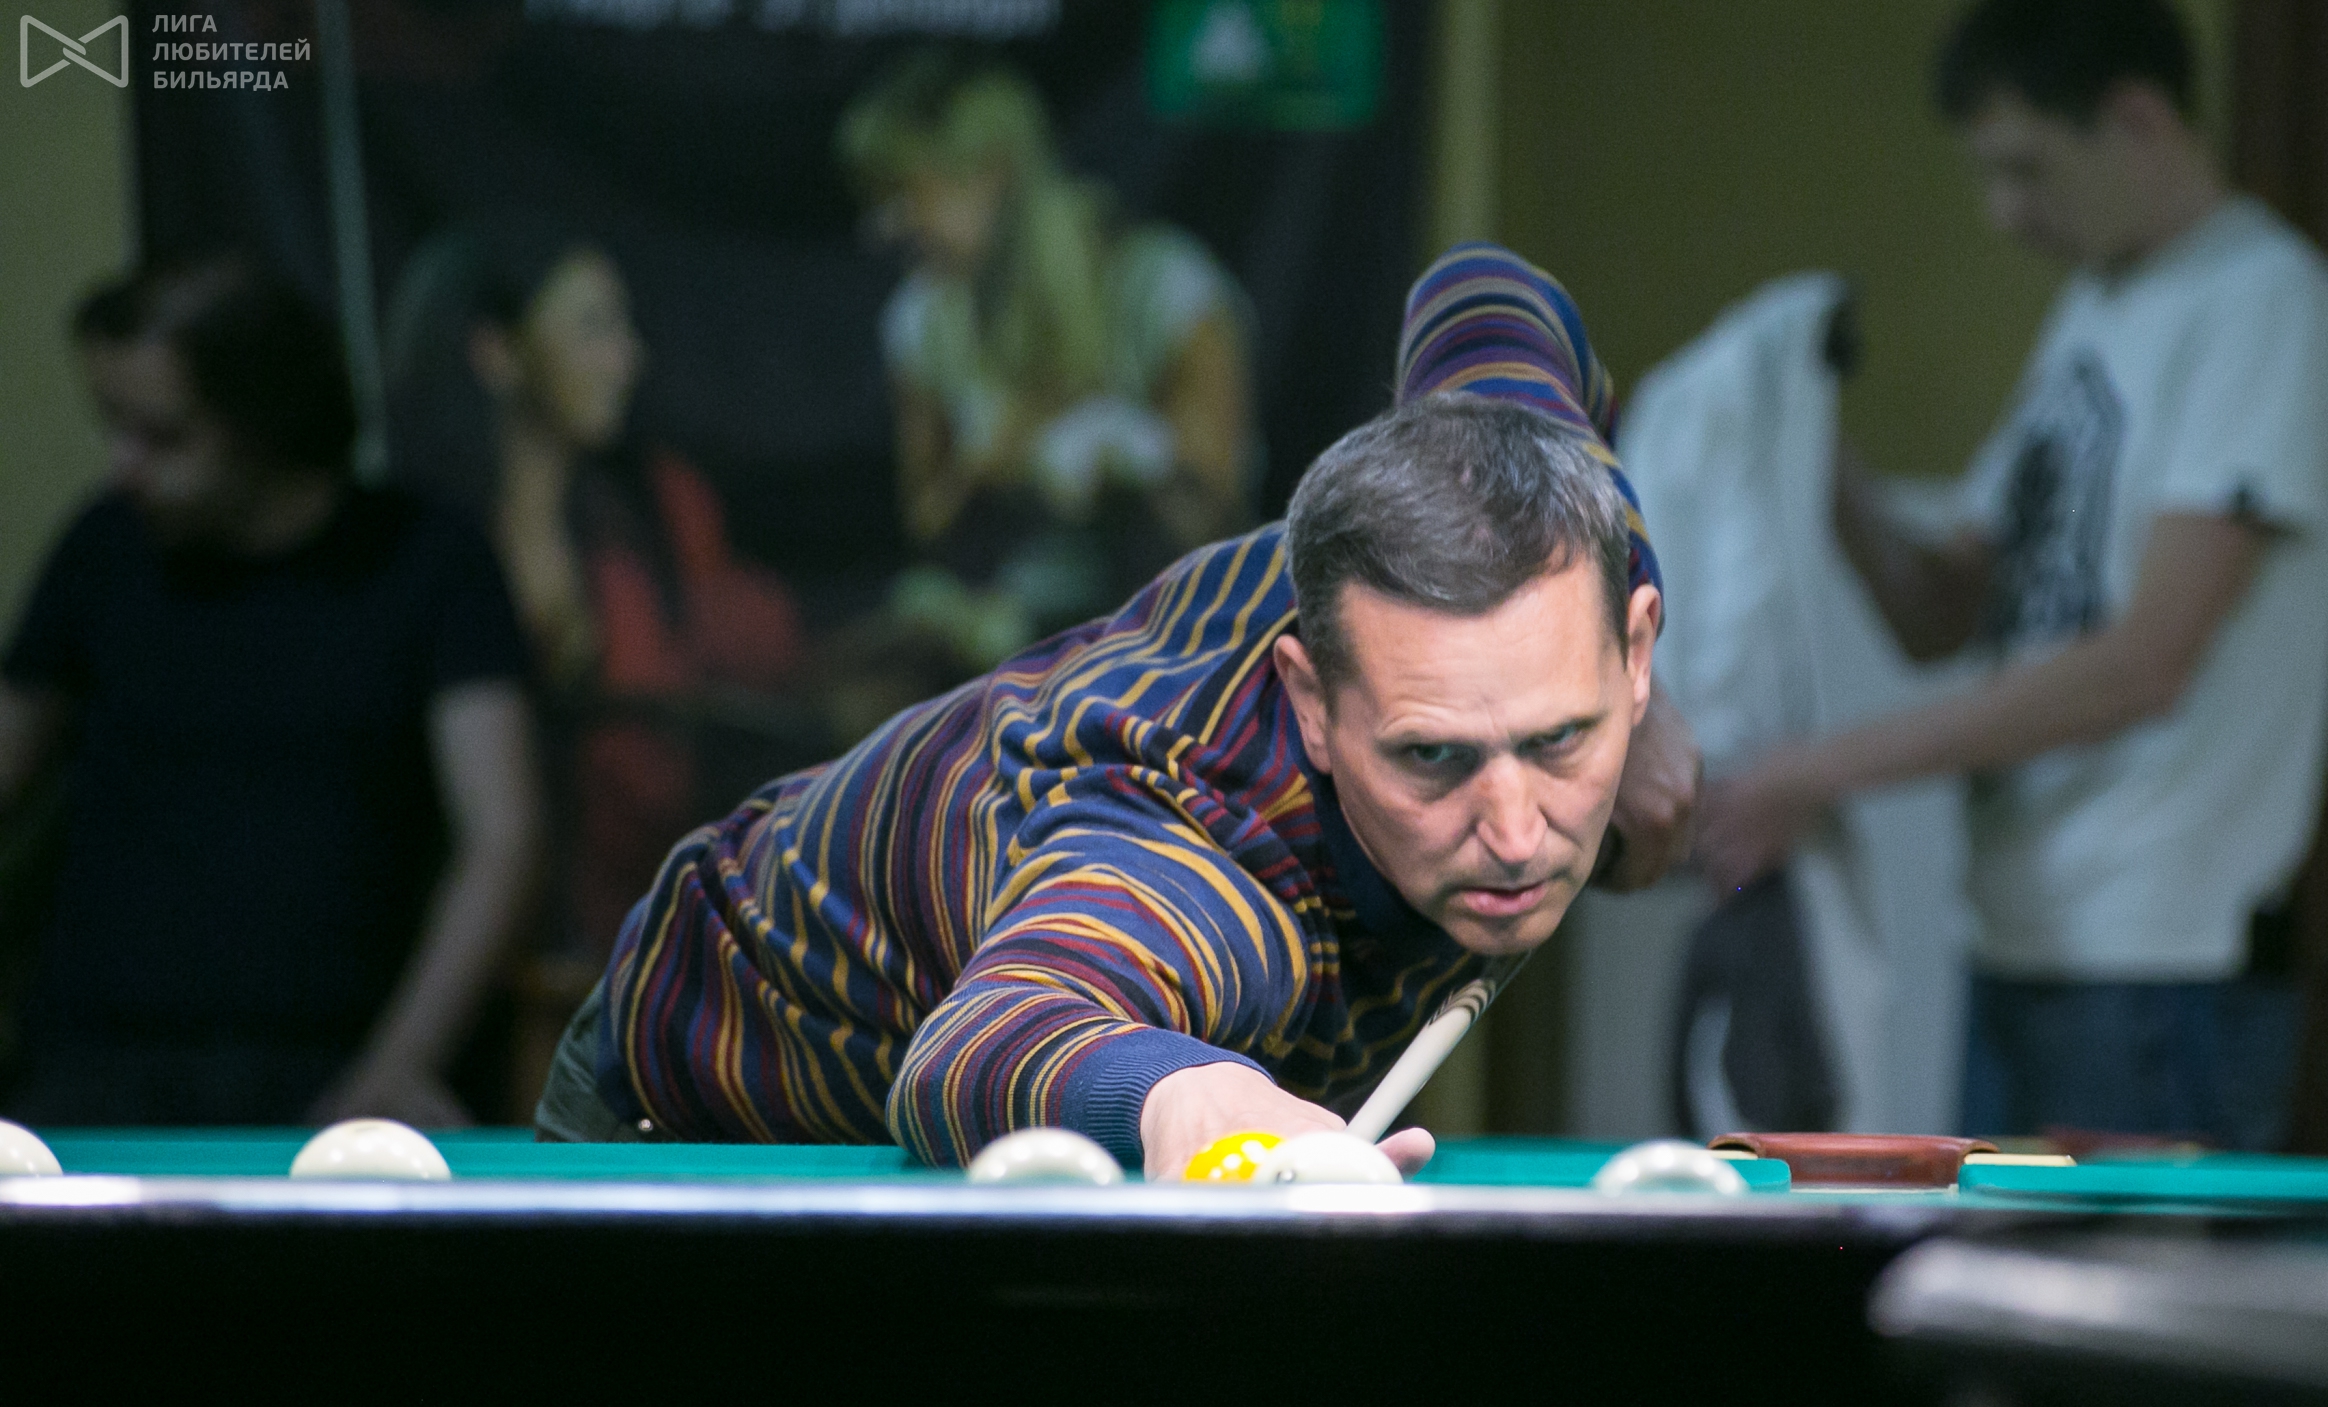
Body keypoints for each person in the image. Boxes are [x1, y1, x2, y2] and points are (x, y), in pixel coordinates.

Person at [536, 245, 1703, 1174]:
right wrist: (1190, 1095)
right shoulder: (1205, 857)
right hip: (712, 1086)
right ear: (1310, 698)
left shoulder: (1540, 511)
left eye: (1557, 736)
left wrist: (1627, 723)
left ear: (1633, 642)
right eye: (1433, 755)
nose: (1516, 830)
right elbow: (979, 1045)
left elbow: (1483, 290)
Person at [1697, 0, 2328, 1149]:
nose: (2004, 213)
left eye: (2025, 169)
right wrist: (1804, 440)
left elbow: (2142, 663)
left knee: (2120, 1275)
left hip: (2158, 953)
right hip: (2021, 928)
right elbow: (1939, 610)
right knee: (1984, 1264)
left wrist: (1812, 771)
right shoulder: (2095, 310)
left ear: (2137, 119)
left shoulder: (2266, 305)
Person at [0, 259, 540, 1128]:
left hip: (327, 1070)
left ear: (263, 421)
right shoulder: (103, 550)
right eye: (115, 427)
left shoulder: (427, 558)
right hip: (93, 1068)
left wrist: (395, 1071)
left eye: (164, 436)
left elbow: (501, 836)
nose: (124, 467)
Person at [384, 230, 814, 964]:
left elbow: (745, 660)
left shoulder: (655, 517)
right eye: (591, 329)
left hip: (644, 943)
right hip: (469, 953)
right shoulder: (422, 551)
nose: (627, 358)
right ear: (496, 352)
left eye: (622, 327)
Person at [840, 51, 1258, 670]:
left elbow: (1217, 504)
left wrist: (1121, 460)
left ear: (990, 175)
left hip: (1169, 636)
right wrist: (985, 470)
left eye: (908, 193)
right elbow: (926, 521)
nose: (886, 227)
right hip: (1003, 628)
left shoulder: (1166, 290)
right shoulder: (923, 320)